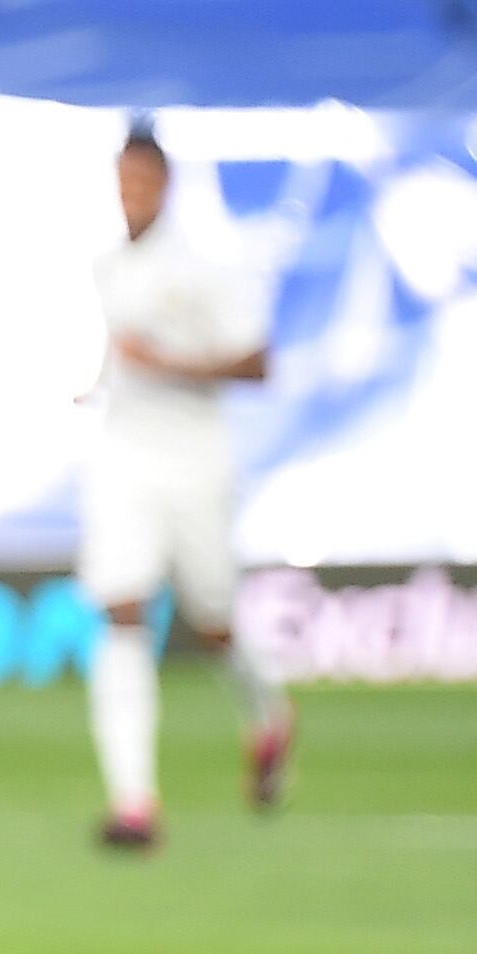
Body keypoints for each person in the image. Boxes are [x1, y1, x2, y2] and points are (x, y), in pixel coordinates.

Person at [82, 119, 294, 849]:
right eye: (120, 179)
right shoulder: (97, 271)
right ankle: (132, 802)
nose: (129, 193)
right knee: (121, 608)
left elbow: (257, 364)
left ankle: (268, 713)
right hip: (123, 459)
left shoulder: (204, 267)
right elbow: (88, 366)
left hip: (198, 458)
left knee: (212, 622)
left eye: (141, 180)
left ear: (163, 185)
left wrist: (168, 365)